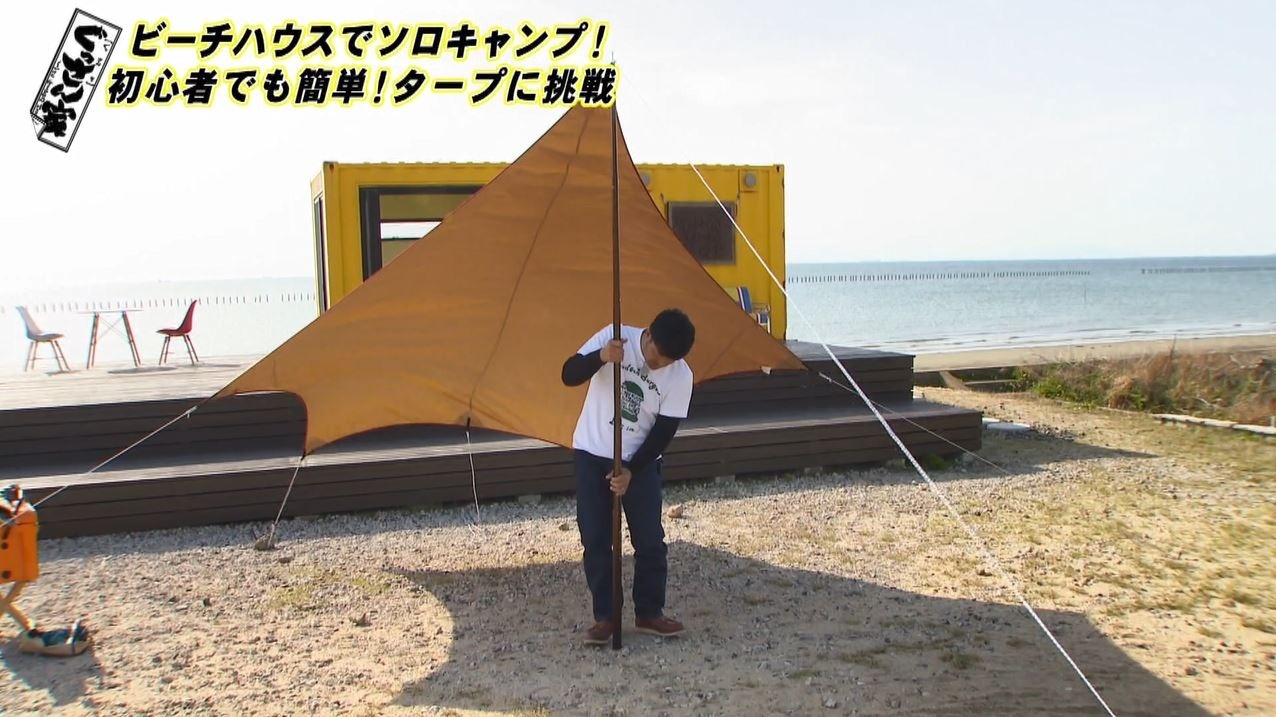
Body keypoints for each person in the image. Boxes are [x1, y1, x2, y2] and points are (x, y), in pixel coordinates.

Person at [560, 308, 696, 646]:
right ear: (647, 334)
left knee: (649, 540)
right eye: (655, 355)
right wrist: (601, 357)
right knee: (595, 537)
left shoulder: (681, 376)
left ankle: (649, 612)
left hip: (641, 460)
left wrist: (632, 470)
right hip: (592, 452)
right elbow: (568, 374)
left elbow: (663, 432)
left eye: (666, 362)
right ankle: (606, 617)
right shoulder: (614, 335)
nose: (657, 365)